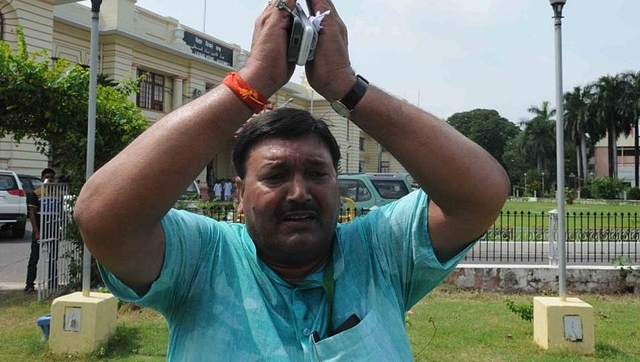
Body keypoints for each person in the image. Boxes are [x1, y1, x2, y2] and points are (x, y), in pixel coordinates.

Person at [74, 0, 509, 359]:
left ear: (337, 185)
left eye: (317, 173)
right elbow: (102, 217)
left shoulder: (379, 252)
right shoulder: (204, 259)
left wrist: (346, 86)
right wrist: (251, 82)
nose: (299, 192)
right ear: (240, 195)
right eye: (276, 175)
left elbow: (481, 191)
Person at [24, 168, 56, 293]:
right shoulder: (36, 193)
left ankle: (53, 283)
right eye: (47, 177)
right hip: (40, 228)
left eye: (52, 177)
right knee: (34, 258)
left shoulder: (58, 193)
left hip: (53, 228)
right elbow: (32, 213)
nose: (50, 179)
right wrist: (36, 231)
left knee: (53, 257)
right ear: (42, 178)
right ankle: (29, 284)